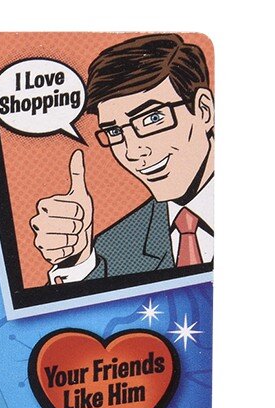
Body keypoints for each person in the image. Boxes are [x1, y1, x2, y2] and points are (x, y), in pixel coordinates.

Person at [30, 34, 214, 282]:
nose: (133, 151)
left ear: (203, 110)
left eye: (152, 118)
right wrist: (78, 263)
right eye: (115, 132)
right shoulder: (112, 248)